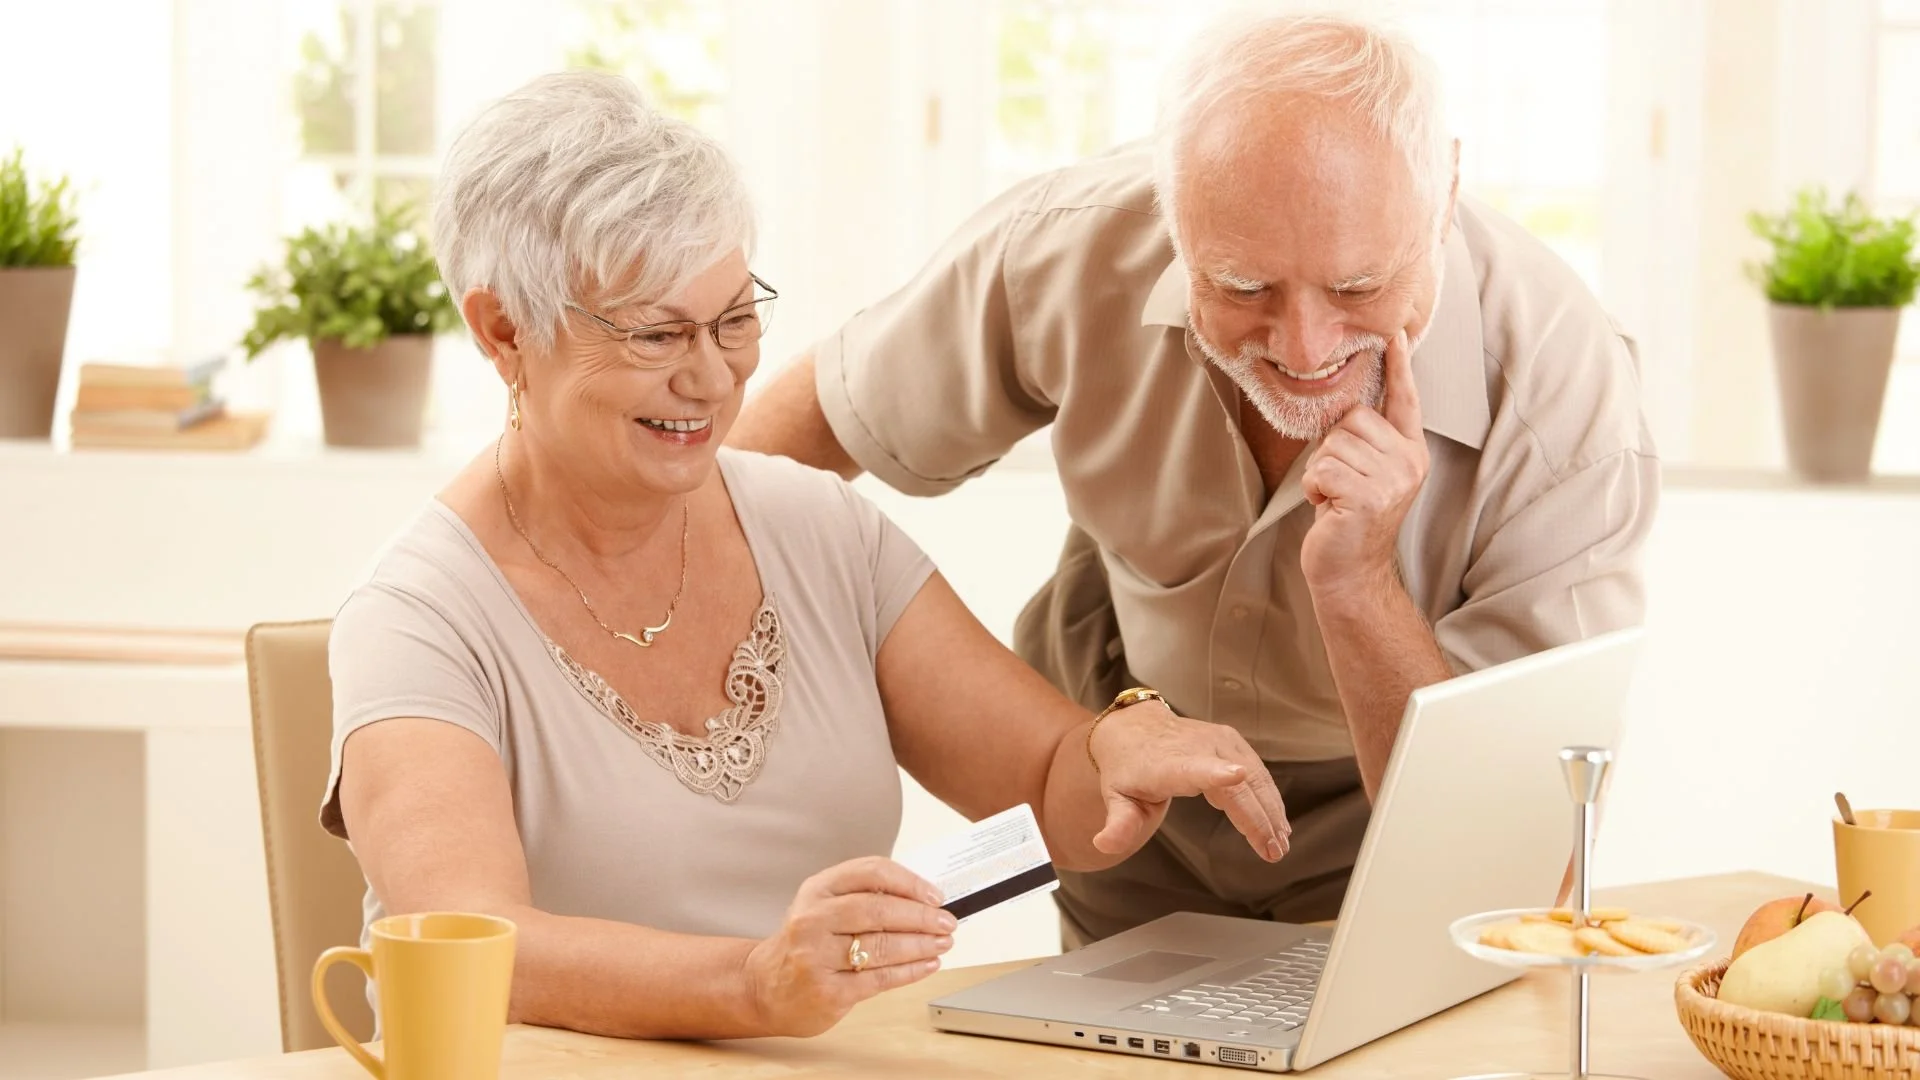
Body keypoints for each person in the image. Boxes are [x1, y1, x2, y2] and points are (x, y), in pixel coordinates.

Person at [320, 69, 1293, 1042]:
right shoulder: (418, 619)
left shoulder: (821, 530)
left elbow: (1047, 789)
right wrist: (752, 983)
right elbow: (469, 941)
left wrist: (1118, 752)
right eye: (658, 333)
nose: (710, 376)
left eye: (736, 319)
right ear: (504, 330)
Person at [728, 9, 1659, 950]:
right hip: (1122, 765)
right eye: (1244, 288)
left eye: (1357, 288)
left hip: (1389, 809)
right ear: (1171, 214)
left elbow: (1516, 861)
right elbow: (804, 432)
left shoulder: (1563, 396)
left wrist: (1359, 583)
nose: (1304, 350)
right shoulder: (1070, 245)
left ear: (1444, 192)